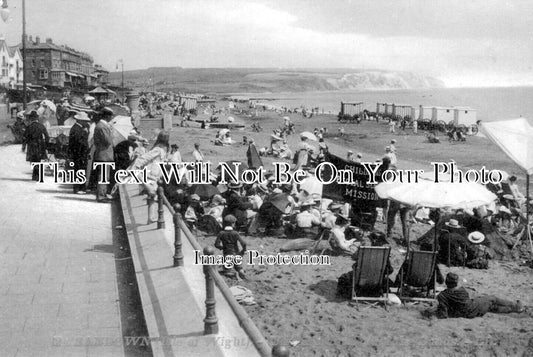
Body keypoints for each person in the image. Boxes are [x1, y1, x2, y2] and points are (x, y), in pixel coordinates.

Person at [426, 273, 524, 319]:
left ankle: (512, 309)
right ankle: (514, 306)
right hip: (471, 309)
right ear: (456, 282)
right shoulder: (461, 290)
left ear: (447, 282)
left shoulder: (442, 295)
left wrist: (437, 310)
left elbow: (443, 314)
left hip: (461, 313)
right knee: (492, 298)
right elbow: (467, 299)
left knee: (491, 307)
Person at [129, 130, 170, 224]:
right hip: (150, 176)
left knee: (153, 196)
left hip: (155, 176)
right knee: (153, 194)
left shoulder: (162, 149)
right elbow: (143, 159)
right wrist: (136, 167)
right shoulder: (158, 149)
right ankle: (151, 218)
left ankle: (150, 218)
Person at [215, 215, 247, 279]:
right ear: (232, 224)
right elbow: (244, 243)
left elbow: (216, 244)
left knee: (226, 271)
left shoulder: (221, 233)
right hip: (236, 253)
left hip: (227, 254)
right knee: (239, 267)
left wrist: (222, 248)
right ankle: (241, 272)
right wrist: (243, 251)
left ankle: (233, 274)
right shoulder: (235, 233)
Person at [93, 108, 115, 202]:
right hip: (104, 155)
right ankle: (101, 195)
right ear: (107, 116)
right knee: (103, 176)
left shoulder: (101, 126)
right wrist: (111, 132)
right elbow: (108, 141)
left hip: (104, 154)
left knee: (104, 175)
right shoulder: (102, 127)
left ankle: (103, 193)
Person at [68, 112, 90, 194]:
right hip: (79, 153)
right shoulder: (77, 129)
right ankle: (78, 188)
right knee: (79, 169)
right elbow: (79, 142)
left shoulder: (77, 128)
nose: (86, 122)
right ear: (80, 120)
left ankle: (80, 187)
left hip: (79, 152)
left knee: (80, 169)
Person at [23, 110, 49, 181]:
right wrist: (46, 145)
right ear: (37, 118)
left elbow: (25, 137)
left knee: (33, 160)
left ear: (31, 118)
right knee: (38, 160)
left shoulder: (29, 127)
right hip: (40, 145)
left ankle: (35, 175)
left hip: (31, 145)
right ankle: (38, 175)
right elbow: (47, 136)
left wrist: (25, 145)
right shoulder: (41, 126)